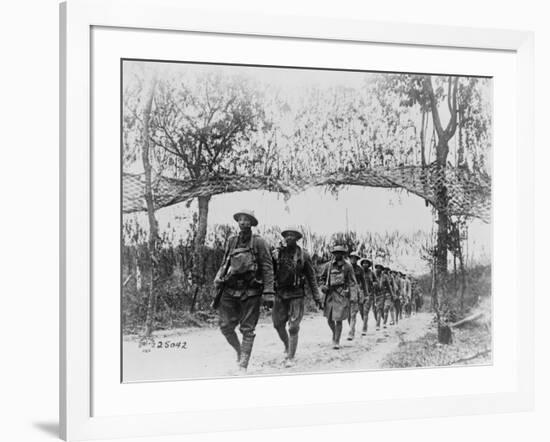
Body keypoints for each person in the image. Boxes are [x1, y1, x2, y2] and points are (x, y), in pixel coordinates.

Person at [214, 209, 275, 372]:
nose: (243, 222)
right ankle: (240, 352)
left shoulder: (259, 242)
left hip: (251, 291)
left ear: (252, 223)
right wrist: (218, 277)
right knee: (225, 326)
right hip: (230, 288)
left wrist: (269, 292)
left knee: (247, 328)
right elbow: (225, 261)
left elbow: (268, 267)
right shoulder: (232, 240)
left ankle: (243, 364)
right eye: (240, 219)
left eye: (246, 220)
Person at [271, 226, 323, 367]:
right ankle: (287, 345)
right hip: (280, 293)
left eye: (292, 235)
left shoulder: (303, 255)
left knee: (293, 326)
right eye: (287, 235)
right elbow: (268, 271)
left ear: (297, 238)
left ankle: (290, 357)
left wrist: (317, 297)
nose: (289, 238)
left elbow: (312, 278)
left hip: (296, 294)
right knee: (277, 324)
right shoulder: (277, 253)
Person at [319, 245, 357, 349]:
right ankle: (335, 333)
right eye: (336, 253)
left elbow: (353, 282)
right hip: (330, 295)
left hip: (341, 295)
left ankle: (336, 341)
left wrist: (353, 296)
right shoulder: (328, 265)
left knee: (338, 319)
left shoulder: (348, 266)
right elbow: (321, 278)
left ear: (343, 254)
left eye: (340, 252)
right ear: (333, 254)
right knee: (329, 319)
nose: (337, 254)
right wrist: (323, 286)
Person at [347, 251, 367, 340]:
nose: (353, 259)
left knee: (353, 313)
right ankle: (352, 328)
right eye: (351, 257)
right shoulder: (346, 267)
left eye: (355, 258)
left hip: (356, 291)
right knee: (348, 314)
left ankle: (351, 332)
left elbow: (363, 282)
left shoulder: (360, 269)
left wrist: (365, 294)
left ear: (357, 259)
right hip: (346, 291)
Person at [359, 258, 376, 334]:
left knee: (365, 311)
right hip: (360, 293)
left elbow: (376, 281)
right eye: (364, 263)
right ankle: (365, 323)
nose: (365, 264)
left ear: (369, 265)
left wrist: (374, 284)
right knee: (361, 311)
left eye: (366, 263)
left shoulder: (371, 273)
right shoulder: (359, 272)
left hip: (369, 294)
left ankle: (364, 328)